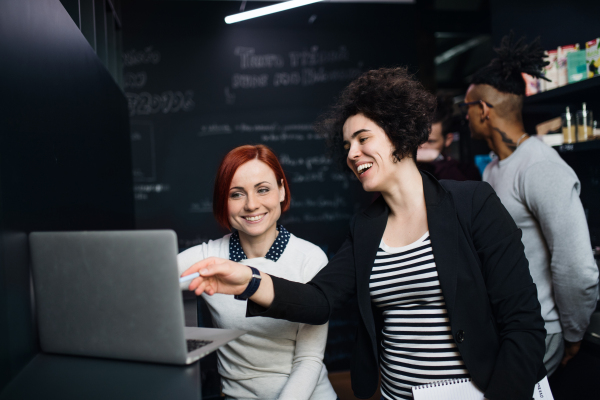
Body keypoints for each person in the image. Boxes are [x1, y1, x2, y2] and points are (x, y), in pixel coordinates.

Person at [182, 68, 547, 400]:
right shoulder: (366, 226)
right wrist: (248, 279)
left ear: (397, 132)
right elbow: (319, 299)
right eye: (346, 147)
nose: (353, 154)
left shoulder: (472, 204)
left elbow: (523, 325)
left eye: (362, 138)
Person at [463, 33, 599, 376]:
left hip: (540, 329)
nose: (463, 117)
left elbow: (576, 266)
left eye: (466, 107)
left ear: (483, 110)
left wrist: (571, 332)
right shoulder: (494, 168)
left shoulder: (541, 167)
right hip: (505, 325)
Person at [177, 144, 337, 400]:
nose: (252, 205)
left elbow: (309, 359)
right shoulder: (209, 258)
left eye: (263, 190)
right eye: (237, 194)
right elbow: (149, 279)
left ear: (282, 191)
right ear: (223, 201)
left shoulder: (310, 259)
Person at [416, 96, 480, 181]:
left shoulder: (466, 171)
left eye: (431, 141)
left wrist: (437, 159)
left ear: (448, 140)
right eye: (419, 139)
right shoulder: (405, 167)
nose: (421, 146)